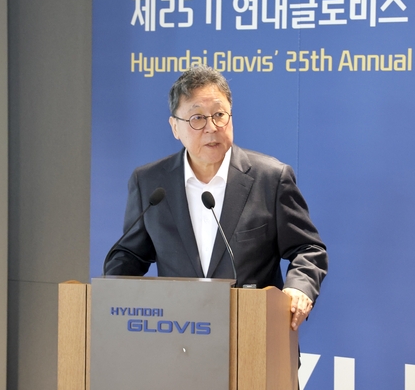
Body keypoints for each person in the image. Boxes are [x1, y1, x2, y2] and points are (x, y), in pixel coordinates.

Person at [103, 64, 327, 331]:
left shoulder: (271, 178)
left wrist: (299, 289)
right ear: (175, 127)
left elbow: (308, 250)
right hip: (178, 334)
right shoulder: (150, 183)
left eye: (219, 115)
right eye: (197, 118)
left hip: (255, 332)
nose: (211, 127)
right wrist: (110, 296)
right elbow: (130, 254)